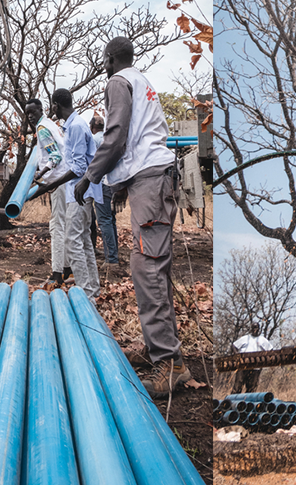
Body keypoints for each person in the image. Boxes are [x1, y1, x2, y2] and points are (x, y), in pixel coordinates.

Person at [73, 36, 185, 398]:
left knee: (147, 266)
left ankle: (168, 361)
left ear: (108, 59)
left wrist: (90, 176)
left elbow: (117, 135)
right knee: (156, 266)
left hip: (150, 181)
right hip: (156, 179)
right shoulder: (143, 81)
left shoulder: (118, 82)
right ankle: (167, 354)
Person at [36, 89, 101, 300]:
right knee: (82, 240)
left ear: (56, 105)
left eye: (51, 106)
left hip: (80, 190)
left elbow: (79, 167)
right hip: (81, 190)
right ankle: (92, 290)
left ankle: (86, 296)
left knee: (73, 241)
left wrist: (49, 185)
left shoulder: (74, 126)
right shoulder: (73, 125)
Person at [25, 98, 74, 287]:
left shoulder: (42, 129)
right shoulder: (50, 124)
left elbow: (55, 157)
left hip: (59, 181)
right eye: (27, 113)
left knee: (56, 226)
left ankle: (57, 274)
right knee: (63, 223)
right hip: (65, 179)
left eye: (33, 112)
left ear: (41, 110)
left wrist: (41, 175)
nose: (30, 116)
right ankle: (67, 268)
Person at [89, 114, 120, 268]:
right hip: (113, 183)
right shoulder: (109, 140)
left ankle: (112, 260)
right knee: (111, 220)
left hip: (101, 184)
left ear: (91, 127)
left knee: (104, 221)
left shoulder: (94, 141)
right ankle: (113, 255)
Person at [231, 322, 274, 393]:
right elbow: (234, 346)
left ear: (259, 329)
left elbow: (271, 351)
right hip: (243, 365)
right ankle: (232, 402)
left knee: (252, 388)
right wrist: (237, 355)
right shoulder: (245, 338)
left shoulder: (263, 340)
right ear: (251, 328)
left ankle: (247, 403)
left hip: (256, 367)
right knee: (238, 386)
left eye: (256, 327)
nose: (255, 329)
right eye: (253, 327)